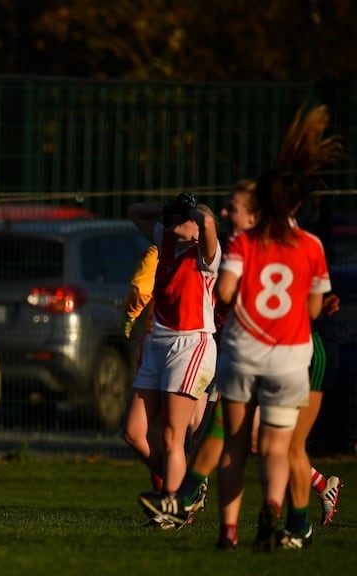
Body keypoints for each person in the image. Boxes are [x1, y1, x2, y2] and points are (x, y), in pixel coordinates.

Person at [141, 104, 339, 552]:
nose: (227, 214)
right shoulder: (310, 245)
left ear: (257, 210)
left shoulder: (247, 243)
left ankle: (217, 523)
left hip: (247, 350)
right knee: (275, 445)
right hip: (292, 355)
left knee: (227, 438)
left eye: (233, 208)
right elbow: (311, 307)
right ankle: (280, 515)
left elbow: (226, 293)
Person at [124, 192, 220, 527]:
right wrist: (170, 208)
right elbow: (135, 210)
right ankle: (187, 490)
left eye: (187, 220)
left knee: (171, 435)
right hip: (158, 345)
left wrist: (194, 209)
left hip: (191, 345)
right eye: (178, 219)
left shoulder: (205, 255)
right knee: (134, 432)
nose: (180, 222)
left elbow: (208, 223)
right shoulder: (165, 243)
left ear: (197, 231)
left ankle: (173, 508)